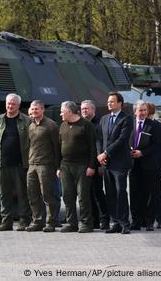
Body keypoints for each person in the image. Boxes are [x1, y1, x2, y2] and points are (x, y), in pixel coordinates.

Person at [0, 93, 31, 231]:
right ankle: (6, 221)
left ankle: (24, 220)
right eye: (8, 103)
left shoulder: (26, 121)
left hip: (19, 163)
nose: (10, 106)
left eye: (13, 104)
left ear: (18, 105)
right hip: (1, 163)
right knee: (3, 194)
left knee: (22, 193)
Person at [97, 91, 134, 234]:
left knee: (120, 192)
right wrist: (100, 154)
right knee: (110, 193)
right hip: (106, 163)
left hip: (120, 163)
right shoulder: (104, 119)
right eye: (108, 101)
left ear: (120, 104)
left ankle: (125, 223)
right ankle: (115, 222)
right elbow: (99, 138)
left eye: (112, 101)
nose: (109, 103)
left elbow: (122, 140)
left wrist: (106, 152)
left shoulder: (127, 119)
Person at [58, 101, 97, 233]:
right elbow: (59, 147)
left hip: (82, 166)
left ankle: (86, 223)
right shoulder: (62, 126)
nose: (60, 114)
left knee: (83, 196)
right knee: (68, 196)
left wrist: (92, 166)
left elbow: (93, 147)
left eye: (62, 111)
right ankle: (71, 223)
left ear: (69, 111)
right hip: (65, 166)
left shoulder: (86, 125)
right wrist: (58, 167)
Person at [25, 100, 60, 232]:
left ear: (42, 110)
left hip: (46, 165)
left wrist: (57, 167)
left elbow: (57, 147)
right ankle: (37, 221)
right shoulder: (31, 125)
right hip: (32, 164)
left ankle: (51, 222)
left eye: (37, 109)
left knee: (48, 195)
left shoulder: (51, 125)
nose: (34, 112)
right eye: (32, 109)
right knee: (32, 194)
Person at [128, 100, 161, 231]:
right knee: (134, 193)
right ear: (135, 111)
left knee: (149, 194)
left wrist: (142, 153)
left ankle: (148, 221)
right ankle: (136, 221)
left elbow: (156, 145)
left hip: (149, 165)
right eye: (140, 110)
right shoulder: (129, 124)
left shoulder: (154, 126)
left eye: (145, 110)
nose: (143, 113)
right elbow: (124, 140)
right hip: (133, 165)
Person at [81, 100, 110, 230]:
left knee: (97, 192)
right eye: (82, 109)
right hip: (82, 165)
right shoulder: (80, 123)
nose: (84, 111)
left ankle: (105, 219)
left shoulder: (99, 124)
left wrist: (98, 166)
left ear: (93, 110)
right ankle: (94, 219)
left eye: (87, 108)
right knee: (86, 194)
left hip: (96, 165)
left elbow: (101, 146)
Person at [146, 102, 161, 229]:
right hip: (143, 165)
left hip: (155, 165)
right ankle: (148, 218)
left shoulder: (159, 127)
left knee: (155, 193)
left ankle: (159, 219)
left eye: (145, 111)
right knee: (147, 193)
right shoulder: (140, 126)